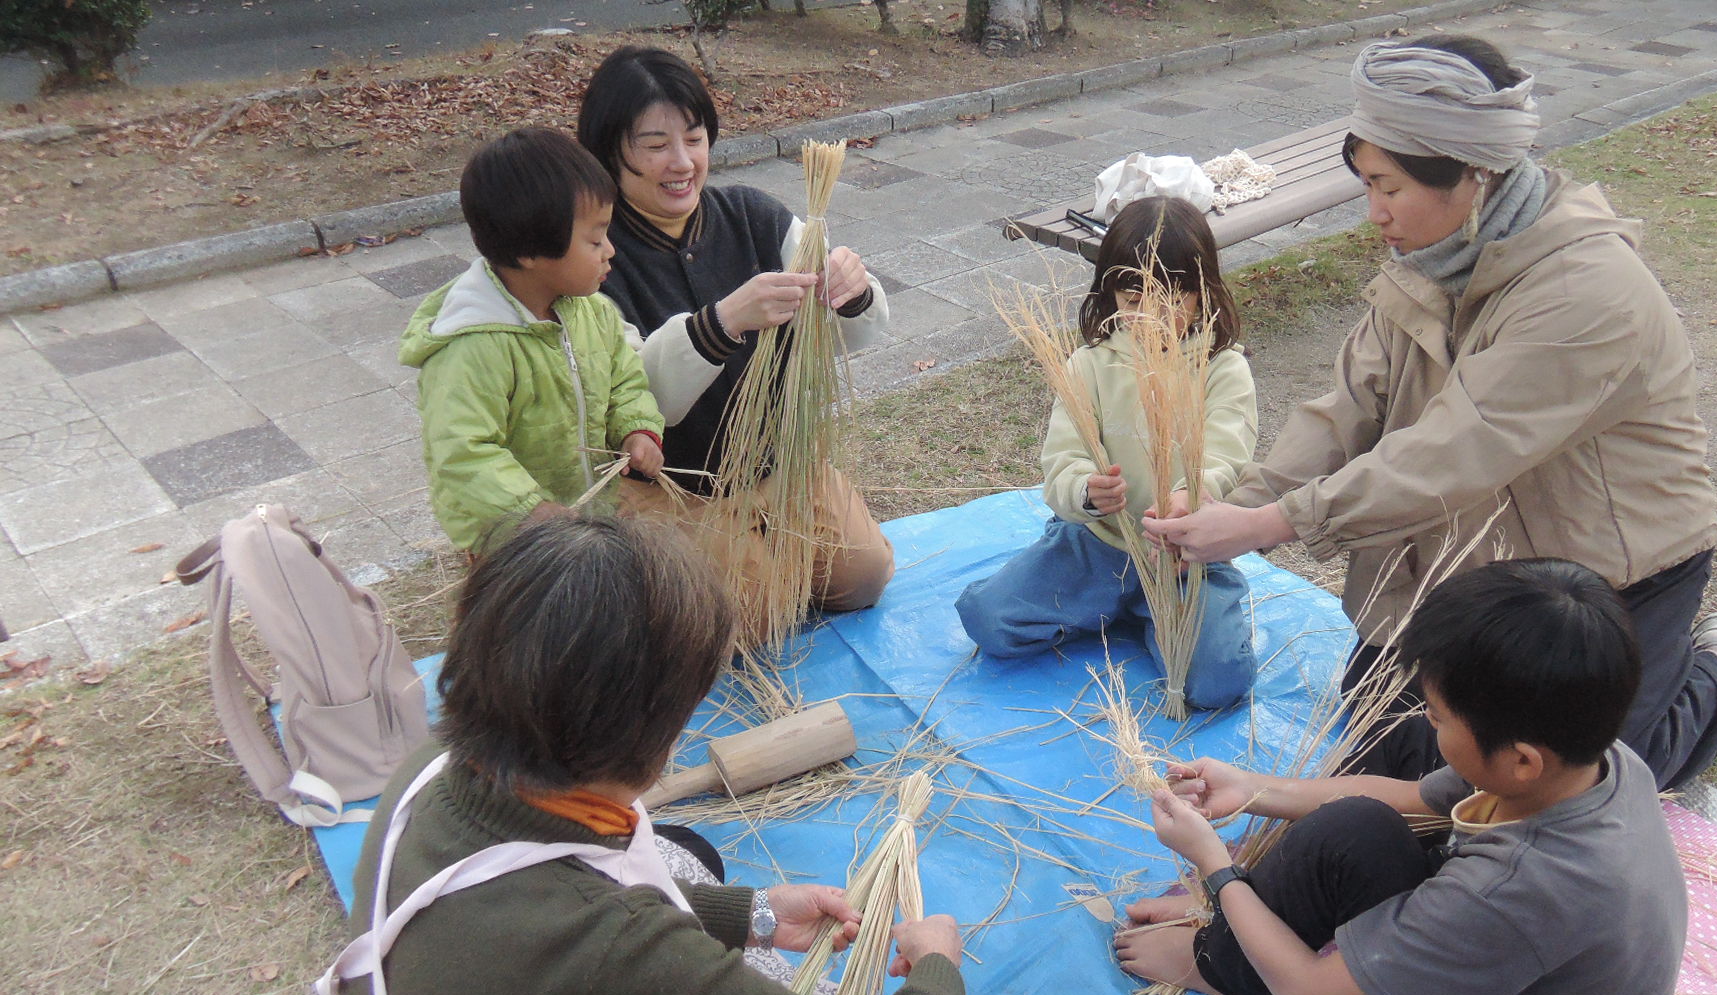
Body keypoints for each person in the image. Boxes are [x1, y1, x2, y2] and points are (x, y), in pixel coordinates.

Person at [1142, 35, 1717, 788]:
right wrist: (1236, 505)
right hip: (1485, 551)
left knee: (1573, 776)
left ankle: (1712, 668)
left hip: (1610, 573)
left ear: (1474, 173)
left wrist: (1274, 525)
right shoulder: (1434, 259)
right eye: (1366, 186)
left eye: (1388, 188)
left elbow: (1456, 449)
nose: (1374, 215)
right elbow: (1348, 409)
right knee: (1390, 730)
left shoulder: (1588, 288)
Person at [325, 514, 993, 995]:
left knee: (678, 852)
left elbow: (584, 921)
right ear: (658, 724)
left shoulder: (435, 768)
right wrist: (937, 970)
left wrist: (755, 915)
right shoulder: (621, 956)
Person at [1117, 558, 1687, 995]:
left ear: (1520, 759)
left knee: (1350, 832)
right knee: (1388, 766)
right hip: (1527, 967)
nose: (1431, 725)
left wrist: (1215, 867)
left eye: (1440, 716)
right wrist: (1251, 790)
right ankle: (1250, 906)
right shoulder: (1594, 757)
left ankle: (1223, 969)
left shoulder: (1511, 889)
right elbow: (1413, 796)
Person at [576, 46, 895, 635]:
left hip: (778, 467)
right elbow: (631, 397)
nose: (682, 162)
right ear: (608, 154)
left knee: (864, 574)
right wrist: (720, 323)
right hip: (674, 487)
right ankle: (679, 565)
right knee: (755, 610)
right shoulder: (596, 254)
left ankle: (754, 549)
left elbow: (853, 332)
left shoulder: (752, 216)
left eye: (694, 140)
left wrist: (853, 293)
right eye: (654, 145)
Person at [953, 197, 1259, 711]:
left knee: (1216, 683)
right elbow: (1063, 463)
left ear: (1201, 291)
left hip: (1181, 559)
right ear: (1110, 291)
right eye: (1134, 295)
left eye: (1173, 296)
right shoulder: (1088, 367)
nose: (1152, 314)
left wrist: (1192, 494)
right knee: (989, 621)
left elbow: (1227, 455)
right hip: (1095, 545)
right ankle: (1107, 603)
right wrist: (1086, 492)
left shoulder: (1222, 369)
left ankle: (1151, 612)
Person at [399, 126, 665, 553]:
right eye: (595, 239)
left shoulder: (592, 312)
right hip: (512, 540)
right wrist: (530, 510)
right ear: (529, 252)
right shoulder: (474, 346)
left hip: (590, 515)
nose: (610, 250)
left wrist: (637, 429)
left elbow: (624, 381)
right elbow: (463, 452)